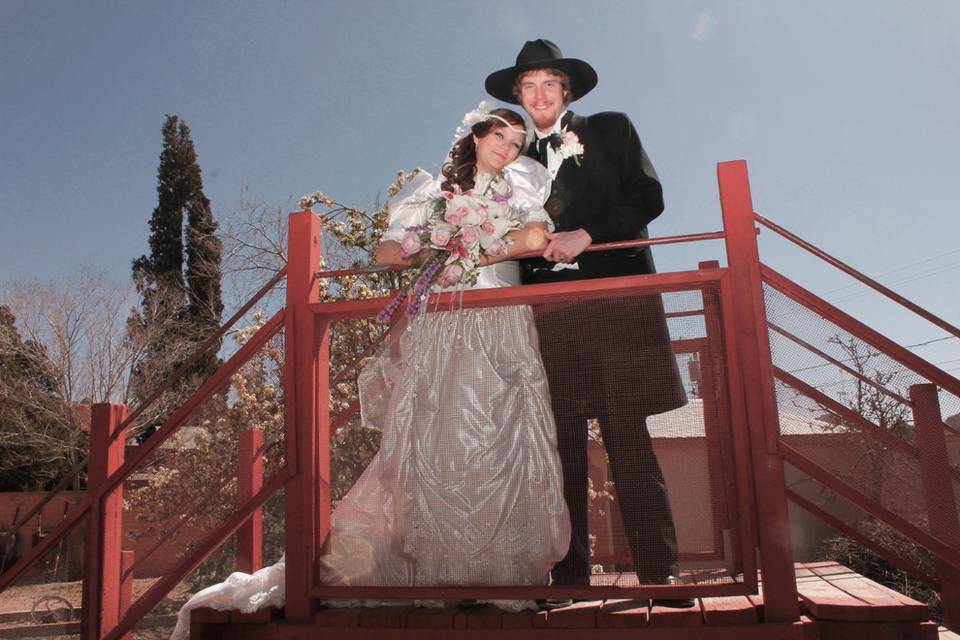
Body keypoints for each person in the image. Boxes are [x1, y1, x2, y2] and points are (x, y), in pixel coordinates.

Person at [170, 107, 570, 639]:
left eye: (518, 142)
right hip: (443, 325)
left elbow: (536, 239)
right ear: (475, 136)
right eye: (500, 135)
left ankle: (502, 573)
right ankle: (431, 569)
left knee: (504, 439)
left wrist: (471, 249)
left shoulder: (519, 190)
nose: (508, 147)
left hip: (500, 323)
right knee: (432, 439)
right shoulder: (431, 193)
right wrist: (433, 250)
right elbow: (386, 251)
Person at [485, 40, 688, 593]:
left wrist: (588, 234)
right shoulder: (513, 161)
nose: (539, 94)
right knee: (561, 448)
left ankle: (659, 574)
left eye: (549, 83)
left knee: (628, 439)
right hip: (549, 316)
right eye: (528, 86)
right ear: (518, 97)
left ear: (566, 89)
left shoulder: (610, 129)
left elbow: (648, 196)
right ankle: (569, 577)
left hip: (615, 307)